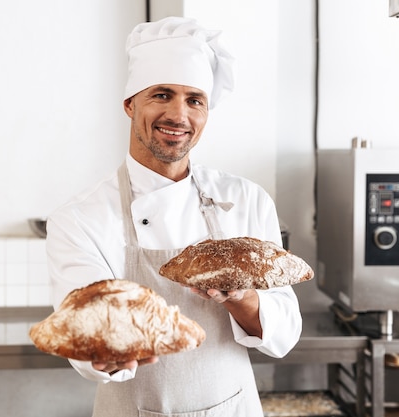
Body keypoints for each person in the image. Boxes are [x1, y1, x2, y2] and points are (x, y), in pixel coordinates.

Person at [46, 16, 302, 417]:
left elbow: (284, 334)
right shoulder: (81, 218)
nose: (179, 115)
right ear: (130, 104)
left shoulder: (246, 200)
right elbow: (84, 326)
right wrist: (105, 353)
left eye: (194, 100)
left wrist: (241, 298)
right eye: (161, 95)